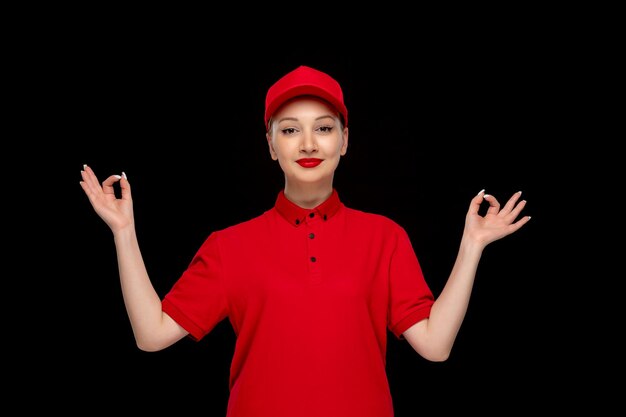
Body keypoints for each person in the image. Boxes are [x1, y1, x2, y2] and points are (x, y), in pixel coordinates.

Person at [79, 65, 530, 416]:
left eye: (325, 127)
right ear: (271, 145)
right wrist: (124, 232)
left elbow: (435, 346)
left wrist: (471, 245)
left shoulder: (385, 238)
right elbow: (151, 335)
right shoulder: (228, 246)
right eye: (291, 129)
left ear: (345, 140)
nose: (309, 143)